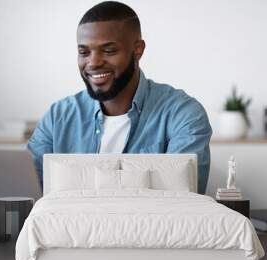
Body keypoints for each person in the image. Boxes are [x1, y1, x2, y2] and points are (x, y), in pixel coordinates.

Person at [28, 1, 212, 194]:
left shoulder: (183, 115)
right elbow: (30, 195)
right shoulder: (58, 118)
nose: (93, 63)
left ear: (138, 50)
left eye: (108, 50)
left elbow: (183, 202)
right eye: (84, 52)